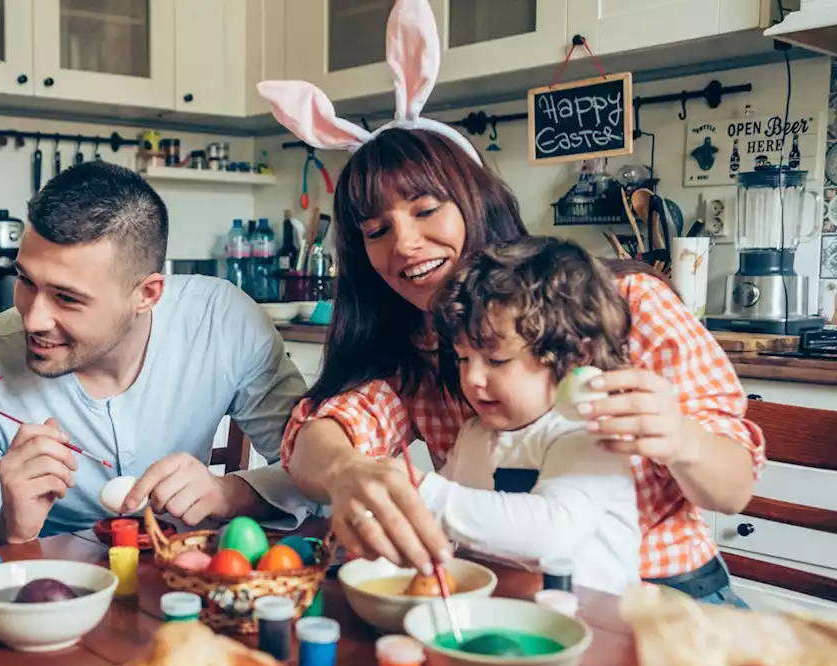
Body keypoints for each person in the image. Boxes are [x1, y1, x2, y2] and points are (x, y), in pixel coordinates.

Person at [257, 0, 762, 606]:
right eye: (376, 231)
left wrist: (679, 438)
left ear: (478, 200)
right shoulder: (417, 341)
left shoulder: (624, 303)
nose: (406, 244)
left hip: (668, 600)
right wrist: (347, 473)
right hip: (513, 598)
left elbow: (731, 490)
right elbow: (322, 433)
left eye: (424, 210)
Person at [0, 161, 314, 546]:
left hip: (183, 577)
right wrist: (9, 526)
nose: (32, 320)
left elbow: (317, 472)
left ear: (146, 295)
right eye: (26, 281)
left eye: (67, 298)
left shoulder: (222, 322)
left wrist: (229, 494)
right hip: (43, 587)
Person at [413, 236, 641, 594]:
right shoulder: (475, 434)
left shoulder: (589, 434)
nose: (472, 378)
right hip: (504, 613)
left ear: (574, 355)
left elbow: (552, 532)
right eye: (463, 358)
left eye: (497, 360)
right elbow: (433, 518)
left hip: (594, 625)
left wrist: (424, 491)